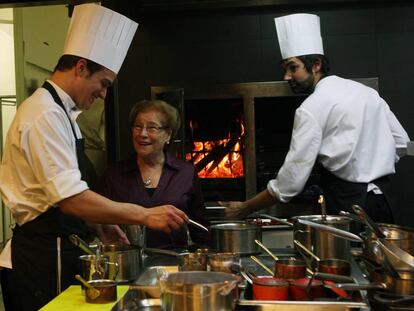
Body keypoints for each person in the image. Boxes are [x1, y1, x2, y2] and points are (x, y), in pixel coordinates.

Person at [0, 4, 187, 311]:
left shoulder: (61, 114)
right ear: (81, 67)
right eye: (104, 84)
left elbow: (57, 193)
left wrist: (99, 222)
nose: (103, 95)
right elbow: (70, 198)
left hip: (58, 251)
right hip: (41, 260)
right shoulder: (44, 114)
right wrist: (144, 214)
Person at [221, 13, 410, 225]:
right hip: (386, 202)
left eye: (293, 67)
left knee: (349, 258)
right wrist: (375, 163)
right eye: (285, 69)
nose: (286, 76)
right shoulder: (366, 93)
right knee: (383, 258)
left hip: (350, 207)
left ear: (316, 64)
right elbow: (402, 142)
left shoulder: (311, 107)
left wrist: (246, 207)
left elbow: (290, 182)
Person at [101, 100, 210, 250]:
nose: (142, 134)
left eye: (152, 128)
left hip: (175, 263)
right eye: (138, 126)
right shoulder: (114, 174)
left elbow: (201, 230)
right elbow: (100, 219)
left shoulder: (186, 172)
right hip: (128, 262)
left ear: (168, 134)